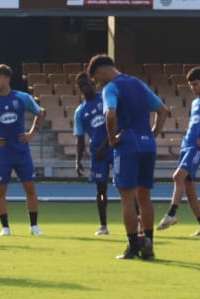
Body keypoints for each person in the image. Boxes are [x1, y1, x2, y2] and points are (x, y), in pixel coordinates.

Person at [88, 55, 170, 261]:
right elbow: (163, 110)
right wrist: (153, 133)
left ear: (101, 72)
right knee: (145, 197)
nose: (99, 84)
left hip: (127, 146)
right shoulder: (138, 84)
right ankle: (148, 244)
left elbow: (111, 114)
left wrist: (111, 139)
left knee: (127, 198)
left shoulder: (111, 88)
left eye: (97, 79)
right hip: (147, 145)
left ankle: (133, 246)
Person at [0, 64, 45, 237]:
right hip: (3, 153)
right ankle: (5, 227)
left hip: (22, 151)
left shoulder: (22, 98)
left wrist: (32, 133)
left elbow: (40, 112)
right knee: (0, 190)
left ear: (7, 78)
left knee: (30, 188)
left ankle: (34, 226)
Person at [159, 67, 200, 237]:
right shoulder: (195, 102)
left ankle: (171, 214)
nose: (193, 88)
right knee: (189, 189)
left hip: (197, 148)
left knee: (177, 176)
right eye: (191, 85)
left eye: (195, 84)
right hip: (187, 145)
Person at [72, 71, 112, 235]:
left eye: (87, 84)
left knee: (126, 186)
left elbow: (117, 121)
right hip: (97, 155)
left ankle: (137, 219)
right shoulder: (80, 111)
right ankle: (103, 225)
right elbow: (80, 139)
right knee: (101, 191)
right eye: (81, 86)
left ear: (93, 83)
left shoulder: (105, 98)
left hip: (115, 147)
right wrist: (78, 160)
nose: (85, 87)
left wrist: (105, 144)